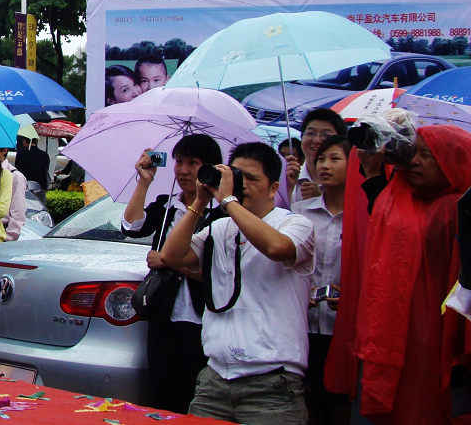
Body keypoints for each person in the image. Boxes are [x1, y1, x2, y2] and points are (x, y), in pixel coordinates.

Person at [160, 141, 315, 425]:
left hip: (272, 383)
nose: (241, 184)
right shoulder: (220, 228)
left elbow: (277, 248)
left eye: (251, 178)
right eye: (236, 176)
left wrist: (229, 201)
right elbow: (172, 257)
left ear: (273, 187)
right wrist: (200, 201)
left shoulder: (295, 224)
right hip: (216, 377)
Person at [352, 125, 471, 424]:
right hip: (401, 332)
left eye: (427, 155)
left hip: (437, 334)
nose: (414, 161)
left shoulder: (456, 207)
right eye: (412, 153)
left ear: (453, 160)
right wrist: (374, 172)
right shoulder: (401, 196)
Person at [122, 134, 225, 414]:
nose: (183, 170)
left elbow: (219, 273)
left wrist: (167, 261)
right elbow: (132, 227)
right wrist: (144, 182)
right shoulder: (168, 207)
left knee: (195, 396)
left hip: (204, 320)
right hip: (163, 312)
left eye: (193, 163)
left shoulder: (222, 215)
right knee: (161, 393)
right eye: (179, 162)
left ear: (210, 169)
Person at [293, 136, 350, 425]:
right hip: (302, 324)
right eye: (321, 160)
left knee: (338, 403)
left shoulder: (364, 215)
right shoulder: (301, 213)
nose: (325, 166)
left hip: (342, 328)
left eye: (335, 159)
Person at [287, 109, 347, 204]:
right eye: (311, 133)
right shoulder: (288, 177)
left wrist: (322, 200)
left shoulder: (350, 182)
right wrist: (289, 187)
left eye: (326, 135)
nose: (317, 140)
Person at [1, 148, 28, 241]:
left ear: (4, 150)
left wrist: (6, 239)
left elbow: (18, 216)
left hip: (1, 237)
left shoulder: (16, 177)